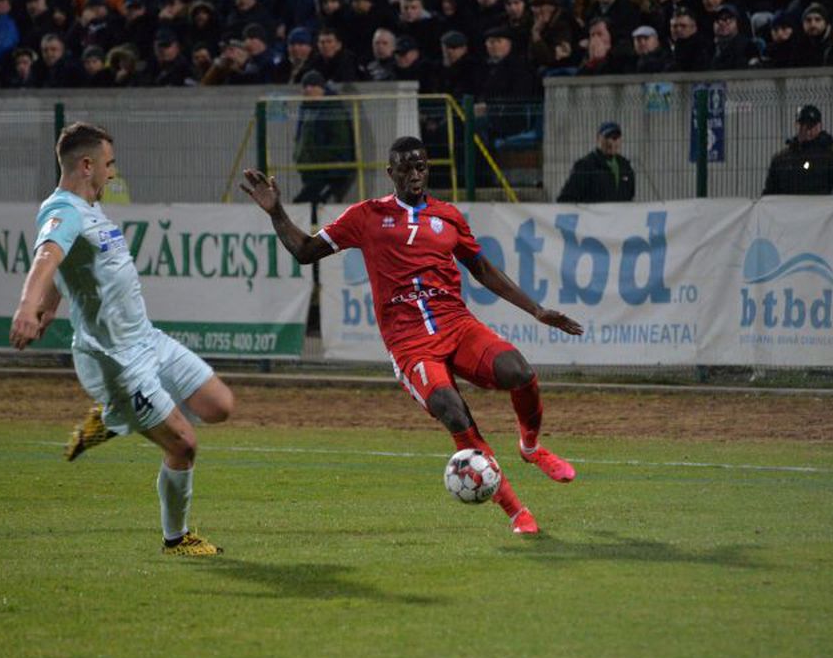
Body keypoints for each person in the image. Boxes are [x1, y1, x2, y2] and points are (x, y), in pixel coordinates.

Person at [241, 137, 582, 535]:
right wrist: (276, 211)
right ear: (391, 173)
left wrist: (537, 310)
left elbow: (484, 270)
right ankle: (516, 512)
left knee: (519, 371)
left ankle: (530, 448)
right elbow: (304, 250)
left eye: (421, 166)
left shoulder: (448, 216)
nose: (415, 174)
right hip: (409, 344)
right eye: (406, 167)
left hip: (456, 325)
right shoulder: (366, 216)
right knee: (454, 412)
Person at [9, 122, 234, 556]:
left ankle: (114, 417)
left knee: (220, 406)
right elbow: (47, 256)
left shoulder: (90, 208)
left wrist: (52, 304)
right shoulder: (64, 210)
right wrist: (25, 306)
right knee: (184, 444)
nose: (113, 174)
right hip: (115, 359)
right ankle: (176, 538)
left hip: (147, 340)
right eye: (109, 165)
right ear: (87, 165)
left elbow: (70, 263)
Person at [293, 70, 355, 204]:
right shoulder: (306, 109)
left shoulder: (333, 109)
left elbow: (340, 143)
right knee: (308, 206)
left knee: (306, 204)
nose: (308, 90)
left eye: (313, 86)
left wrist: (316, 156)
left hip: (329, 172)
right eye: (305, 86)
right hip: (312, 171)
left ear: (321, 88)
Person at [762, 104, 833, 195]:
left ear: (819, 126)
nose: (806, 130)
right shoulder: (782, 159)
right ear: (796, 125)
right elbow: (770, 192)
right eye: (802, 125)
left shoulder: (832, 156)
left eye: (810, 126)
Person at [557, 122, 635, 203]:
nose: (611, 142)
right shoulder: (585, 165)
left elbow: (630, 195)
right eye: (607, 137)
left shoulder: (625, 166)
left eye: (615, 138)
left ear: (620, 140)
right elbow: (566, 198)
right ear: (598, 139)